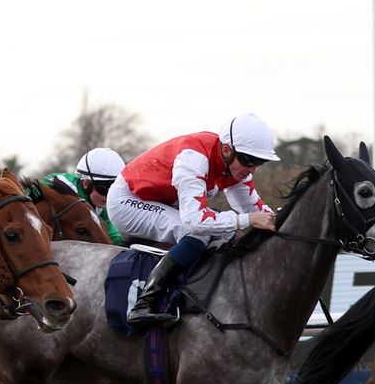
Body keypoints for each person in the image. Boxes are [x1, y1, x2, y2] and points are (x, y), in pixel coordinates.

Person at [107, 114, 279, 327]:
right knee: (199, 232)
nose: (252, 169)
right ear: (227, 151)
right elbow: (195, 221)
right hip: (128, 201)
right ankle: (144, 303)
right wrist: (248, 219)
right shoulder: (194, 157)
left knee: (225, 231)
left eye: (259, 162)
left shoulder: (234, 165)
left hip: (164, 202)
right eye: (249, 161)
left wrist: (281, 220)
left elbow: (254, 208)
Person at [40, 147, 127, 245]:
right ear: (86, 184)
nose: (108, 197)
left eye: (114, 191)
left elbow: (114, 235)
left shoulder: (100, 200)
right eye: (104, 189)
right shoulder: (58, 184)